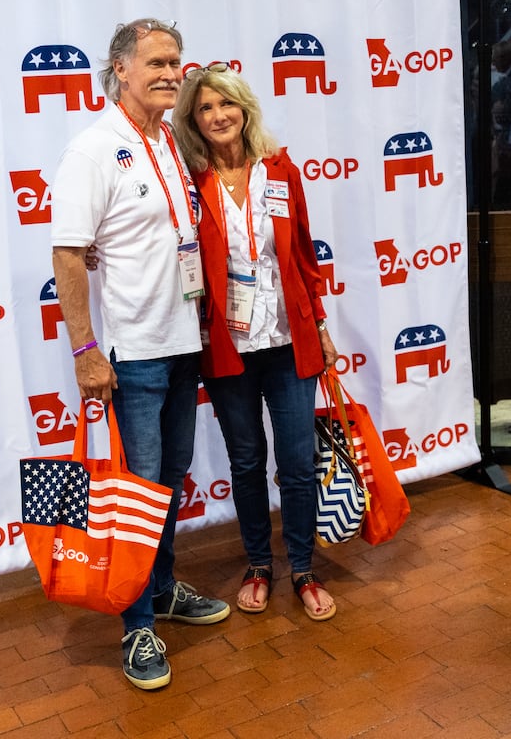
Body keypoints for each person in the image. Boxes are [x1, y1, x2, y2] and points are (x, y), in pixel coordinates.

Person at [50, 18, 231, 692]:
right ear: (120, 69)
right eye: (155, 61)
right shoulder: (94, 148)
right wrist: (85, 350)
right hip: (134, 354)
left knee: (169, 479)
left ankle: (160, 590)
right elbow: (69, 251)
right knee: (136, 492)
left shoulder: (171, 141)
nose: (169, 72)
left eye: (176, 61)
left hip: (185, 345)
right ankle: (136, 628)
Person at [171, 63, 341, 622]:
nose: (218, 116)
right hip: (225, 347)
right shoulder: (188, 181)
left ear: (245, 109)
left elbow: (302, 258)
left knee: (296, 461)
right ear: (193, 120)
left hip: (289, 342)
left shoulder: (280, 170)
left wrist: (319, 324)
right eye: (205, 108)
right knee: (246, 463)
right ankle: (258, 566)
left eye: (227, 104)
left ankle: (302, 568)